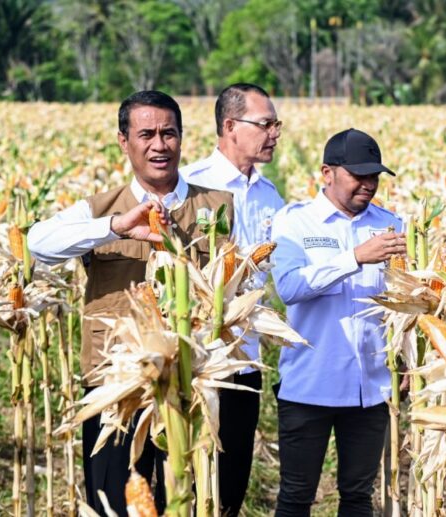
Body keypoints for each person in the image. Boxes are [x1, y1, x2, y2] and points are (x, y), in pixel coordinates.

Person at [27, 90, 234, 517]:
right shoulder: (99, 210)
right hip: (114, 382)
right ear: (124, 141)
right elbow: (37, 244)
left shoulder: (217, 207)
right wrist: (116, 226)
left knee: (187, 499)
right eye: (146, 134)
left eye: (169, 133)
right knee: (111, 501)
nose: (159, 145)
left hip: (187, 384)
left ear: (181, 138)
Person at [270, 128, 405, 516]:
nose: (369, 184)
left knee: (358, 497)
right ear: (327, 173)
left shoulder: (392, 225)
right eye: (358, 175)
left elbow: (405, 302)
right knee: (296, 496)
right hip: (309, 384)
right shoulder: (295, 223)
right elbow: (290, 288)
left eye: (375, 176)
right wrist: (355, 258)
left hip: (371, 388)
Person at [180, 82, 284, 516]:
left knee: (233, 473)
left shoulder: (269, 194)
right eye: (265, 124)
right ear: (230, 126)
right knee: (190, 471)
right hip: (199, 358)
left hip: (245, 357)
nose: (275, 133)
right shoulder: (191, 185)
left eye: (277, 124)